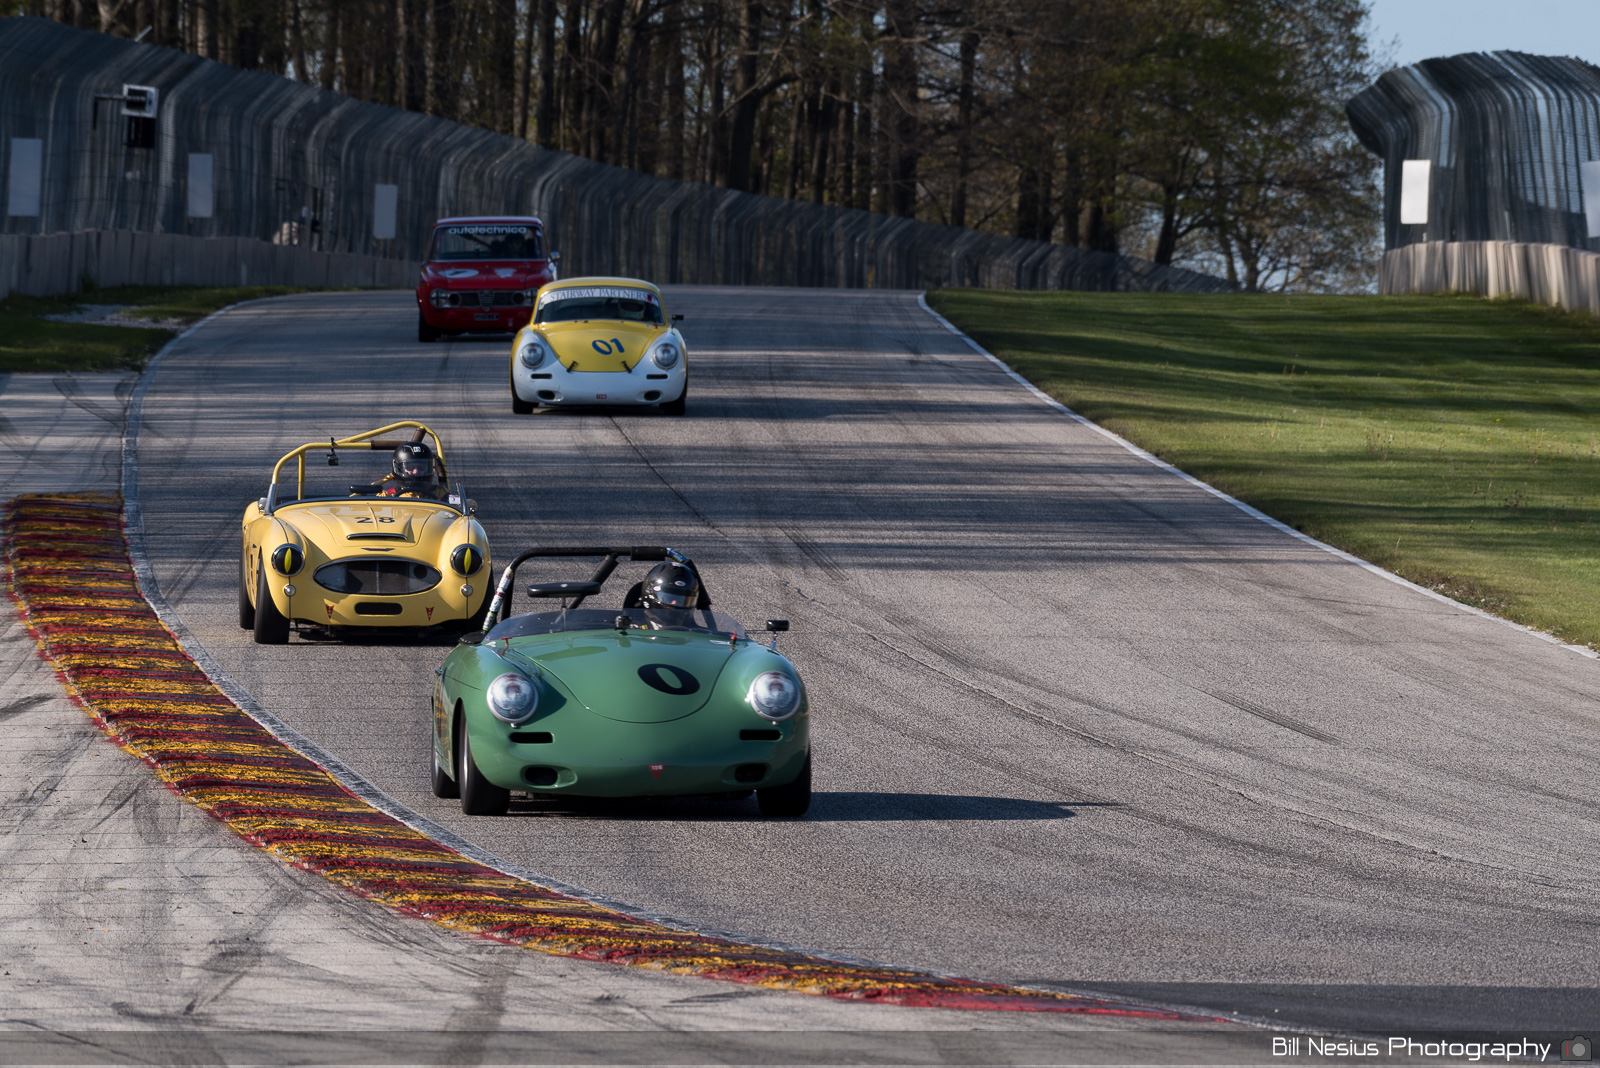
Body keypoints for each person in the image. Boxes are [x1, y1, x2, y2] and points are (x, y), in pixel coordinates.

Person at [357, 442, 445, 498]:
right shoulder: (388, 496)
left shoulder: (441, 493)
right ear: (399, 468)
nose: (416, 471)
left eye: (421, 468)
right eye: (410, 468)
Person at [624, 559, 711, 611]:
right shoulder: (632, 630)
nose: (675, 602)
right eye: (669, 598)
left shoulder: (696, 632)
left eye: (681, 599)